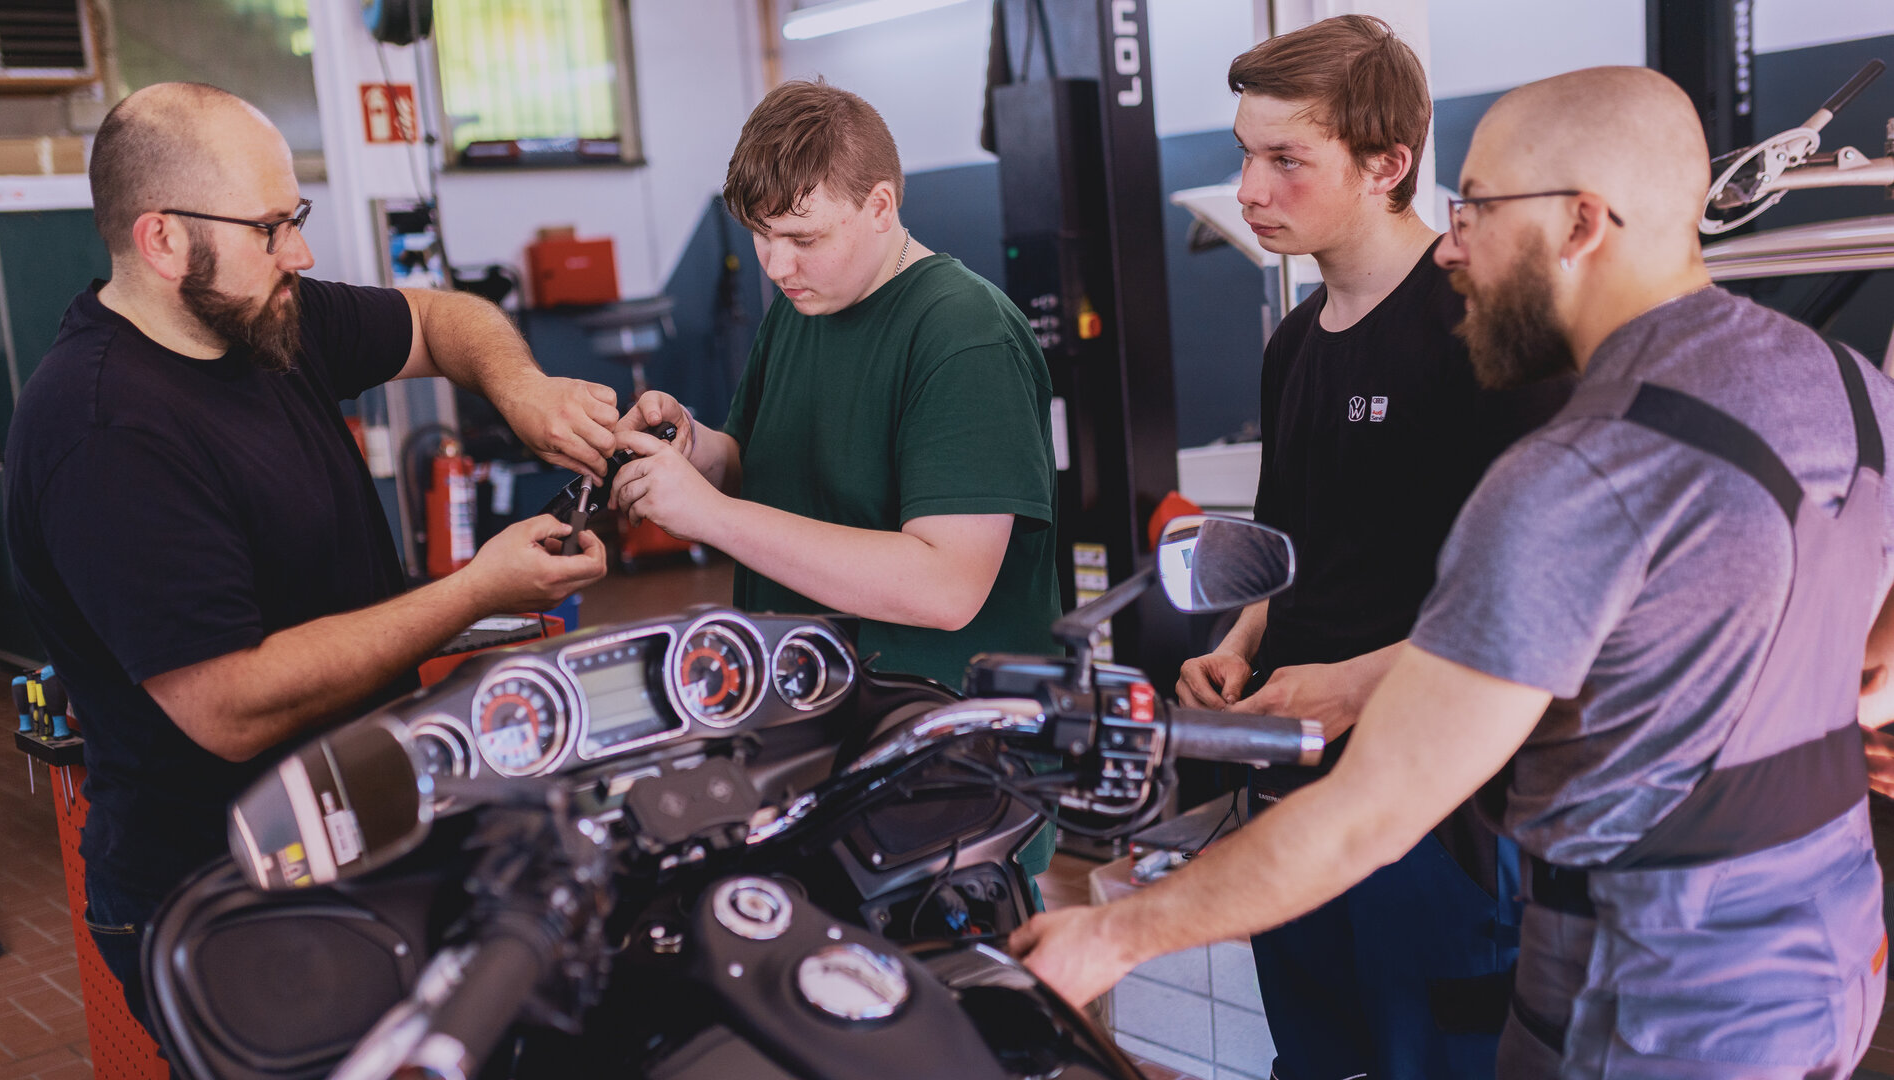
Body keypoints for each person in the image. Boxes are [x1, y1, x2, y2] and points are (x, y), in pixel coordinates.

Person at [1014, 64, 1894, 1079]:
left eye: (1473, 207)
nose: (1450, 242)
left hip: (1652, 1002)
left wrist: (1110, 936)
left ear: (1579, 225)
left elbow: (1372, 812)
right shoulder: (1845, 381)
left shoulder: (1575, 475)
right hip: (1824, 956)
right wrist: (1856, 682)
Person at [5, 82, 617, 1033]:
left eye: (297, 217)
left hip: (362, 829)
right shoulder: (105, 432)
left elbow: (440, 319)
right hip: (225, 889)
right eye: (269, 228)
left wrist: (522, 389)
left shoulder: (260, 323)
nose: (302, 251)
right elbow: (231, 705)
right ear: (162, 239)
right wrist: (476, 590)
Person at [1173, 18, 1569, 1078]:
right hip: (1292, 788)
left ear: (1385, 164)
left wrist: (1354, 685)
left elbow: (1552, 597)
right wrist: (1238, 643)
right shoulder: (1294, 341)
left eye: (1284, 159)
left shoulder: (1481, 330)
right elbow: (1286, 538)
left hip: (1436, 811)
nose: (1249, 188)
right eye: (1243, 153)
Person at [608, 79, 1060, 691]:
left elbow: (946, 587)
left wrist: (711, 516)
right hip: (805, 711)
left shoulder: (965, 334)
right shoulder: (801, 308)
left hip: (946, 741)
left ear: (879, 207)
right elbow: (759, 466)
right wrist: (693, 449)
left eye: (803, 237)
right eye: (760, 234)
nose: (776, 266)